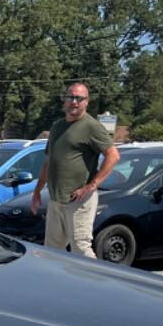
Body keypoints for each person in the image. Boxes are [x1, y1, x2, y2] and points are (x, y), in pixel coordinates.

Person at [29, 82, 119, 258]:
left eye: (79, 98)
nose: (74, 102)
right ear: (64, 101)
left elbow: (113, 155)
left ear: (87, 102)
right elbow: (49, 161)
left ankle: (93, 283)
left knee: (80, 248)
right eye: (70, 97)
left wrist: (91, 186)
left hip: (79, 200)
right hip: (56, 200)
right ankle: (57, 285)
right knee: (51, 251)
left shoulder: (91, 126)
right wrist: (37, 191)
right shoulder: (57, 127)